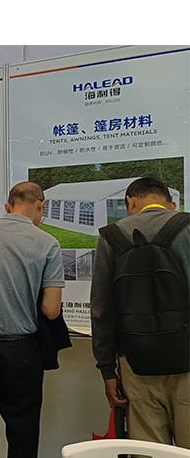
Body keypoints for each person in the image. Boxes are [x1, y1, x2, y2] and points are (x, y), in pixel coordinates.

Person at [0, 181, 65, 458]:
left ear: (8, 207)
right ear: (41, 205)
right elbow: (51, 310)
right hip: (21, 352)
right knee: (23, 433)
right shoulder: (48, 243)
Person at [90, 177, 190, 447]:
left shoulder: (111, 236)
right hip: (187, 362)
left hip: (135, 363)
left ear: (130, 201)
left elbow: (101, 310)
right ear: (170, 202)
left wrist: (107, 370)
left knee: (148, 450)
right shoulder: (187, 228)